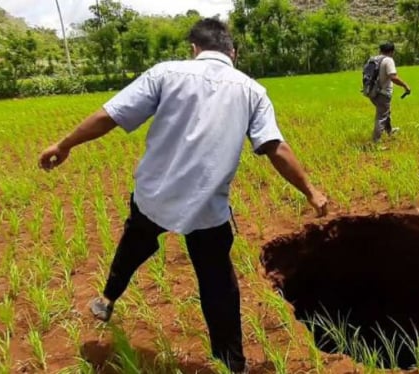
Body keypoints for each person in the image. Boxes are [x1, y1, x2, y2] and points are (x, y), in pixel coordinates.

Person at [38, 18, 328, 374]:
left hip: (153, 196)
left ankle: (107, 298)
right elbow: (275, 147)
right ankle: (232, 364)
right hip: (207, 208)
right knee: (218, 285)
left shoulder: (166, 73)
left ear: (194, 48)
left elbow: (109, 115)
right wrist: (311, 191)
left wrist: (64, 144)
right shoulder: (252, 90)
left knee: (133, 244)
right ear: (232, 52)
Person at [369, 42, 411, 143]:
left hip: (371, 92)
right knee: (381, 117)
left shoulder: (373, 59)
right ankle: (376, 141)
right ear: (392, 51)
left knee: (385, 112)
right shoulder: (388, 60)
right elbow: (393, 77)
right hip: (383, 94)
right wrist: (405, 85)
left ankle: (389, 131)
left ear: (380, 50)